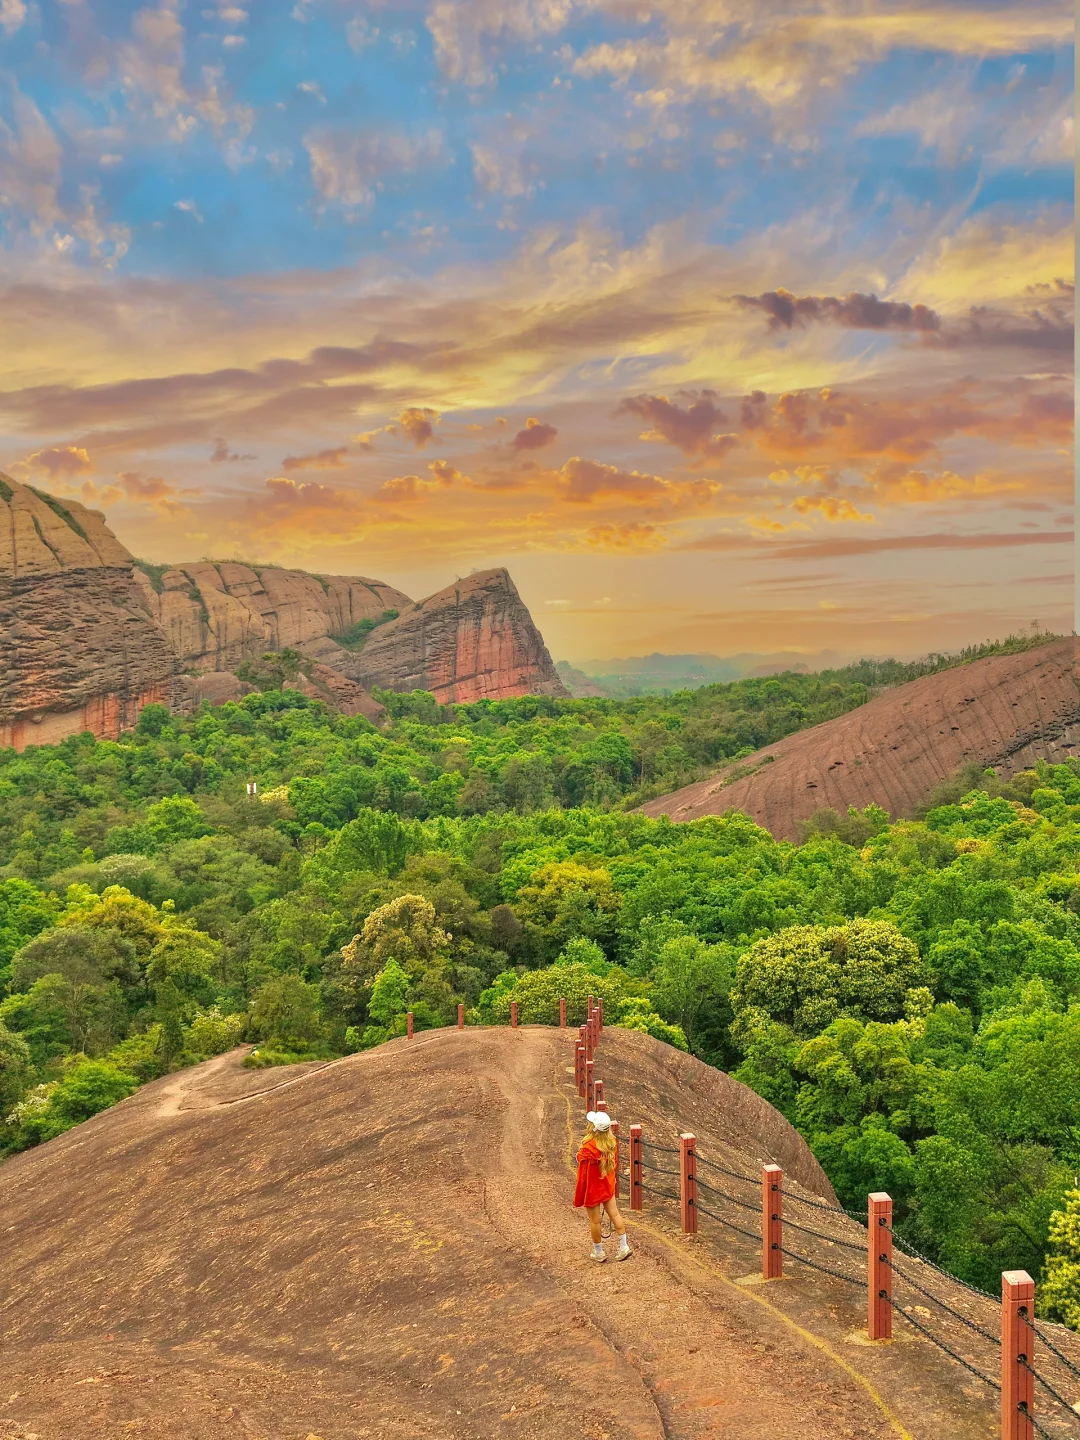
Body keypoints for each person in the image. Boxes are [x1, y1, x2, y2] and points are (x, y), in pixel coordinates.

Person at [573, 1110, 631, 1263]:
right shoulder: (611, 1143)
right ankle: (624, 1246)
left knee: (595, 1221)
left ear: (594, 1128)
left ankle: (598, 1251)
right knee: (615, 1215)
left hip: (592, 1189)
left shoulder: (588, 1148)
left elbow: (581, 1166)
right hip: (607, 1185)